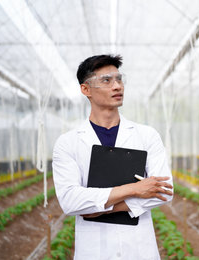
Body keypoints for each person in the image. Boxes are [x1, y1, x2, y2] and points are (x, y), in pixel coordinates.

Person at [52, 54, 173, 260]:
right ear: (85, 89)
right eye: (106, 80)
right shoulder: (68, 143)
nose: (117, 86)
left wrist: (99, 209)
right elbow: (71, 201)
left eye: (119, 79)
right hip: (95, 251)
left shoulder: (146, 135)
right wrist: (134, 189)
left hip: (139, 249)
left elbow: (164, 191)